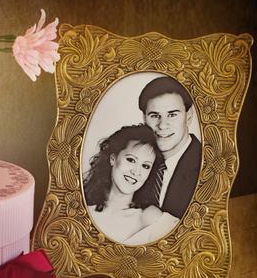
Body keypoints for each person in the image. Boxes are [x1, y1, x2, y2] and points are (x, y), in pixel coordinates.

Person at [83, 124, 179, 244]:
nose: (136, 172)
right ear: (113, 158)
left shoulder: (151, 218)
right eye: (131, 160)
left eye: (145, 166)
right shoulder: (83, 209)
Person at [137, 76, 202, 219]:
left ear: (189, 116)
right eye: (154, 115)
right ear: (144, 118)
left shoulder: (207, 165)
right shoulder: (136, 163)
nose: (162, 125)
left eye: (172, 115)